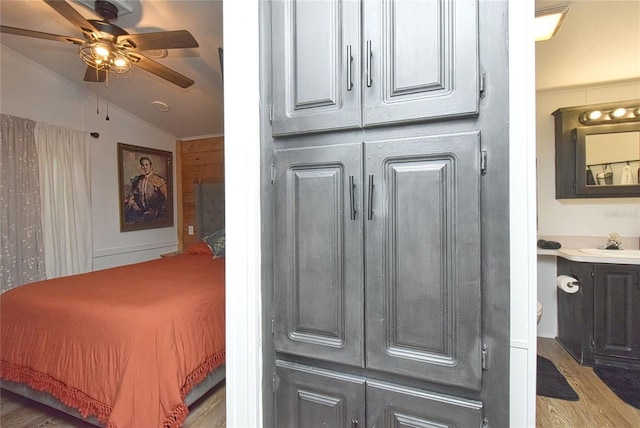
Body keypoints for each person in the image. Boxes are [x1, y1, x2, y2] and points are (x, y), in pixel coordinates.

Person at [124, 156, 168, 223]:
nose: (145, 167)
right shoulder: (140, 180)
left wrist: (158, 211)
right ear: (141, 167)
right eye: (143, 165)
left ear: (150, 166)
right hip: (141, 211)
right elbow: (134, 194)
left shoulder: (158, 180)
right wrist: (133, 203)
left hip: (155, 212)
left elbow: (166, 197)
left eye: (147, 165)